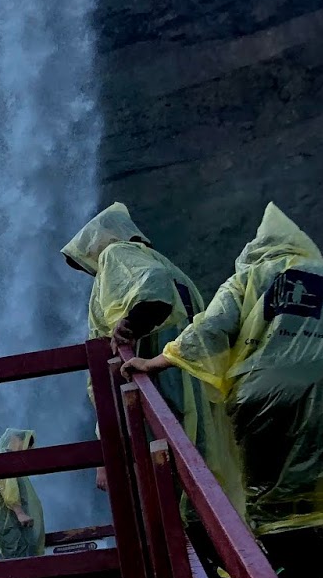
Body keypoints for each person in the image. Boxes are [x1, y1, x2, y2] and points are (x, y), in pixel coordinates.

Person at [124, 204, 323, 578]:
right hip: (322, 399)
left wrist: (155, 362)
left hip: (258, 401)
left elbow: (210, 327)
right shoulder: (321, 272)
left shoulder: (248, 278)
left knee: (269, 501)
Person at [62, 203, 229, 495]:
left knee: (167, 477)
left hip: (160, 388)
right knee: (195, 472)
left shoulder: (116, 253)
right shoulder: (172, 270)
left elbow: (154, 295)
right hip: (192, 384)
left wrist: (130, 324)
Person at [0, 430, 46, 560]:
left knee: (23, 559)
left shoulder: (8, 461)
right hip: (9, 524)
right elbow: (8, 488)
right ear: (17, 442)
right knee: (18, 560)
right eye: (25, 446)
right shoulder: (3, 458)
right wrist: (20, 513)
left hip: (14, 524)